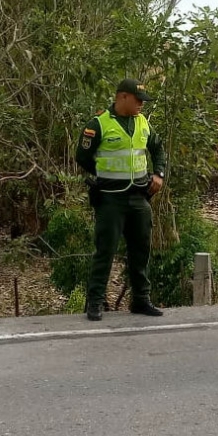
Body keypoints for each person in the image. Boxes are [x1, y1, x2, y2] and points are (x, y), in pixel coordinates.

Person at [75, 78, 167, 321]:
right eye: (138, 100)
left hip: (139, 197)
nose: (141, 105)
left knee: (141, 250)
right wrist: (103, 175)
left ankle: (141, 300)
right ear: (122, 97)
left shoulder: (143, 123)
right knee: (105, 251)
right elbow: (82, 156)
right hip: (110, 199)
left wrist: (158, 173)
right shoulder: (99, 124)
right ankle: (95, 303)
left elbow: (157, 149)